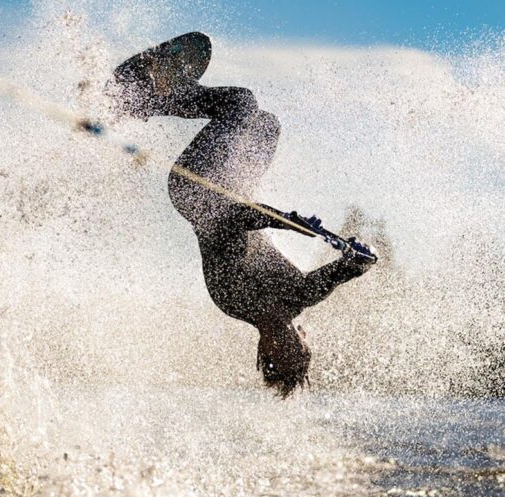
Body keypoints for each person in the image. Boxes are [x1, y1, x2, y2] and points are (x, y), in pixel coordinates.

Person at [109, 33, 376, 397]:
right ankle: (159, 96)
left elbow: (229, 221)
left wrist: (277, 218)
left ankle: (140, 102)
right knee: (266, 125)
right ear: (304, 338)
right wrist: (363, 258)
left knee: (240, 103)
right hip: (234, 188)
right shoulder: (300, 295)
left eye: (276, 356)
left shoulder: (234, 300)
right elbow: (347, 270)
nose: (285, 347)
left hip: (197, 194)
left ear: (263, 350)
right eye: (295, 352)